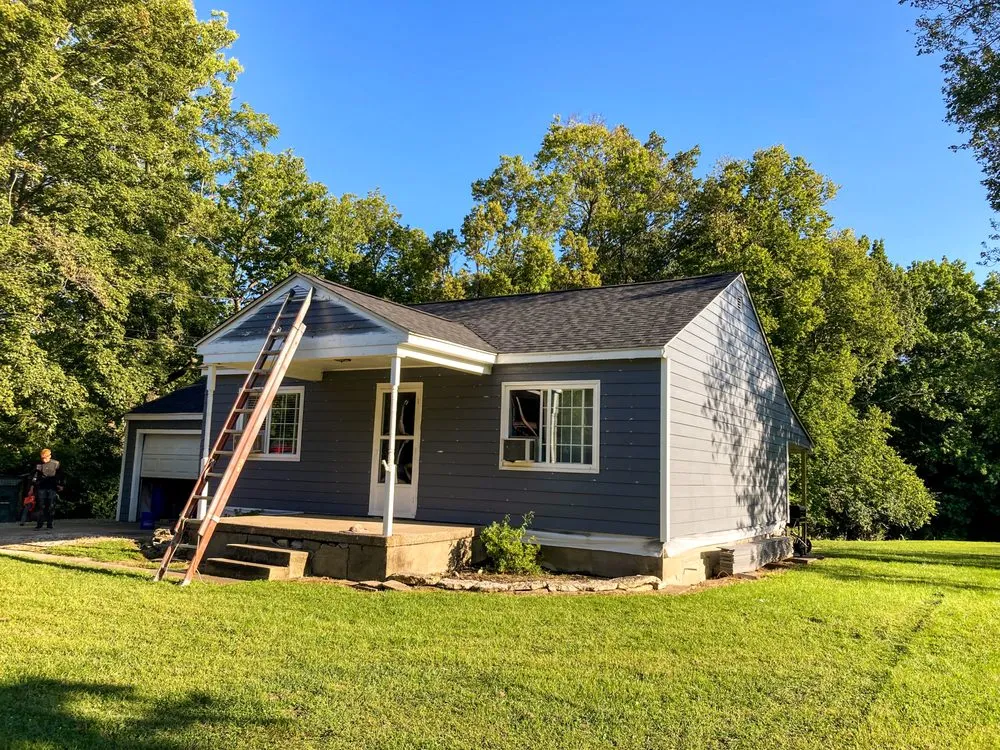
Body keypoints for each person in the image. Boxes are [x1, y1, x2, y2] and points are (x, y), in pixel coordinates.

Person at [31, 448, 63, 530]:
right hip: (41, 487)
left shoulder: (56, 464)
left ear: (49, 456)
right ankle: (39, 524)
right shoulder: (39, 464)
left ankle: (49, 524)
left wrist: (60, 485)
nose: (43, 460)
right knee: (41, 506)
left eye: (45, 458)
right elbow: (35, 476)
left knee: (51, 505)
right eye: (42, 458)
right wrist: (32, 487)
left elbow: (60, 475)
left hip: (52, 487)